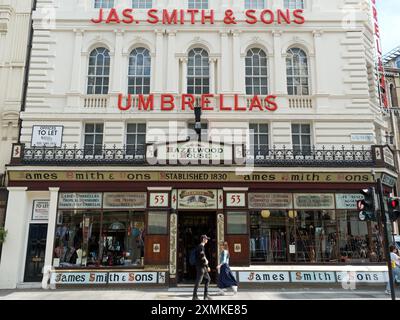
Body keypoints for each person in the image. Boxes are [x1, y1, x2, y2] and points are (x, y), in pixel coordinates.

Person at [192, 234, 212, 300]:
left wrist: (207, 266)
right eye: (206, 239)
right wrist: (207, 264)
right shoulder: (200, 247)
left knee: (208, 279)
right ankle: (194, 296)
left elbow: (203, 257)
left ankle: (205, 295)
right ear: (203, 239)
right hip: (201, 267)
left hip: (203, 267)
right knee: (198, 281)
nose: (207, 240)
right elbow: (202, 257)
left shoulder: (201, 247)